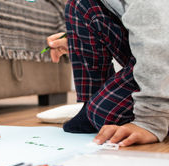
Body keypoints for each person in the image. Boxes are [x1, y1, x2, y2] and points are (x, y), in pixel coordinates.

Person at [46, 0, 169, 147]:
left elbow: (157, 36)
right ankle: (89, 107)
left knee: (103, 114)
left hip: (161, 50)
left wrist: (151, 119)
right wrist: (79, 38)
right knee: (81, 5)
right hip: (160, 42)